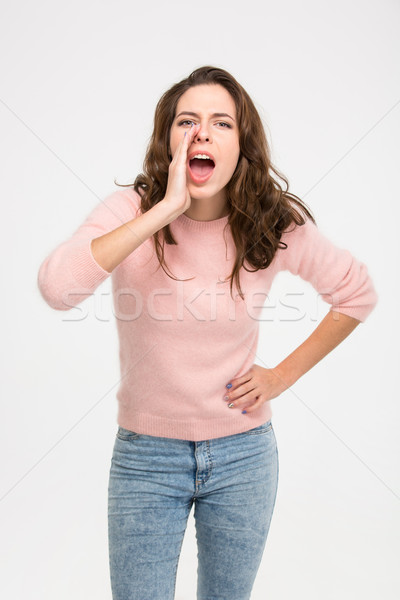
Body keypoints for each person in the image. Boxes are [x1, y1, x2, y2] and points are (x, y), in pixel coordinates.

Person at [37, 65, 378, 600]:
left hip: (244, 456)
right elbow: (58, 288)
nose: (202, 132)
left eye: (222, 122)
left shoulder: (269, 221)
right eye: (186, 120)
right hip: (145, 458)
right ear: (168, 139)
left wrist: (281, 376)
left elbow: (357, 294)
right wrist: (167, 209)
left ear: (241, 145)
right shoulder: (131, 210)